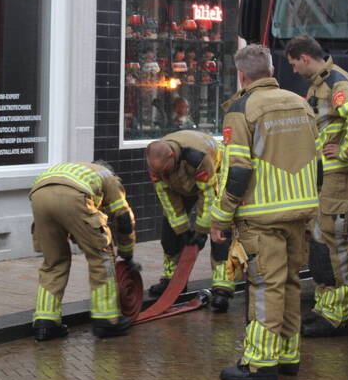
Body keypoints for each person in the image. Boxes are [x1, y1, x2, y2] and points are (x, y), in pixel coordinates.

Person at [210, 44, 319, 380]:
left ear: (241, 75)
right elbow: (318, 159)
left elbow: (239, 170)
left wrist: (221, 215)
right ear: (271, 71)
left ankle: (259, 362)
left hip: (261, 216)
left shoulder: (242, 110)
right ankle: (288, 355)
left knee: (263, 286)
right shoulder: (301, 104)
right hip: (299, 211)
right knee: (289, 282)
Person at [285, 35, 348, 338]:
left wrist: (346, 152)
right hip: (322, 178)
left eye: (294, 64)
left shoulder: (336, 83)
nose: (293, 70)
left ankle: (336, 316)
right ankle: (324, 309)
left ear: (305, 58)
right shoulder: (321, 84)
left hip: (335, 179)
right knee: (320, 243)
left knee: (332, 245)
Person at [29, 162, 136, 341]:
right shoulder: (108, 177)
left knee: (53, 263)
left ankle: (45, 323)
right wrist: (127, 253)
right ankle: (107, 320)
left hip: (38, 195)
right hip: (74, 197)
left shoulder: (80, 170)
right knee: (101, 257)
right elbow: (124, 218)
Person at [145, 130, 234, 314]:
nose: (162, 175)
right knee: (169, 233)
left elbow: (208, 196)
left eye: (165, 170)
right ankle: (173, 280)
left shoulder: (196, 157)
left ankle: (222, 288)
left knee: (219, 232)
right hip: (181, 186)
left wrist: (201, 231)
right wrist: (182, 230)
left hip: (214, 177)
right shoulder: (156, 165)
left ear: (172, 156)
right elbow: (166, 197)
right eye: (158, 172)